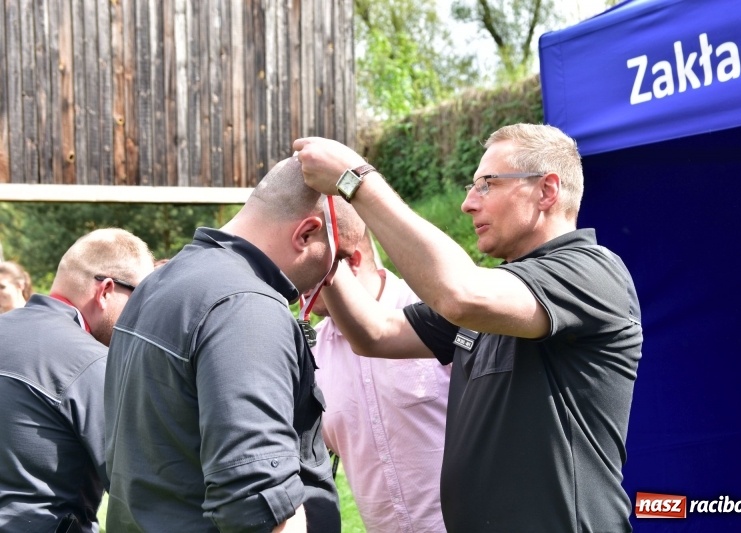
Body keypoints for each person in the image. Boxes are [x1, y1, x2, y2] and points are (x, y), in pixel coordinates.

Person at [293, 123, 643, 532]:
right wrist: (327, 253)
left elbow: (458, 292)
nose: (467, 204)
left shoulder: (590, 272)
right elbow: (376, 333)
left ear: (547, 191)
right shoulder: (498, 298)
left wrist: (355, 180)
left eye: (486, 185)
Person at [104, 156, 365, 532]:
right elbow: (256, 502)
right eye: (337, 257)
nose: (332, 276)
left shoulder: (161, 284)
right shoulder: (246, 306)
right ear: (306, 234)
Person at [0, 228, 154, 533]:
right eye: (141, 298)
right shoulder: (92, 362)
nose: (143, 313)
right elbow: (141, 491)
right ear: (106, 290)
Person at [311, 231, 450, 533]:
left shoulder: (437, 314)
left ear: (353, 262)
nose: (298, 283)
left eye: (311, 269)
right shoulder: (312, 354)